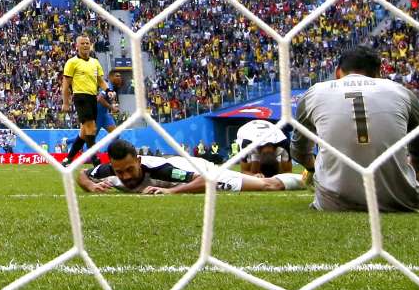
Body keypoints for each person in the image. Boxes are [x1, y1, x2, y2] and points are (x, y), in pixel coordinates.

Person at [291, 46, 419, 212]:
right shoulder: (402, 92)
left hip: (333, 203)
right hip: (400, 202)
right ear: (378, 74)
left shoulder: (314, 93)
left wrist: (312, 169)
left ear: (338, 72)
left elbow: (298, 152)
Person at [76, 139, 304, 194]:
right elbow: (82, 175)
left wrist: (171, 191)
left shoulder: (161, 169)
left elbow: (205, 180)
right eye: (119, 171)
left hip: (198, 170)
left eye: (129, 169)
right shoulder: (110, 169)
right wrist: (91, 186)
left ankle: (306, 178)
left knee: (266, 185)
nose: (124, 176)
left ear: (138, 161)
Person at [61, 34, 108, 166]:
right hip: (80, 97)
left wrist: (109, 91)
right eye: (82, 43)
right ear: (77, 46)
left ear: (91, 45)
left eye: (87, 43)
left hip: (93, 98)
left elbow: (101, 81)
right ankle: (96, 161)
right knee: (91, 129)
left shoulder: (95, 62)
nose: (85, 45)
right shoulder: (71, 63)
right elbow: (65, 85)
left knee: (84, 132)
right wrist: (65, 102)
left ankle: (68, 159)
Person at [64, 70, 122, 165]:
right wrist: (112, 107)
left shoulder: (114, 88)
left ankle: (109, 155)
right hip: (97, 115)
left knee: (116, 134)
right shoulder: (108, 86)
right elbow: (99, 99)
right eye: (117, 76)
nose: (120, 78)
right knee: (89, 138)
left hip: (105, 115)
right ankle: (70, 143)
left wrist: (113, 106)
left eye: (120, 76)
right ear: (111, 77)